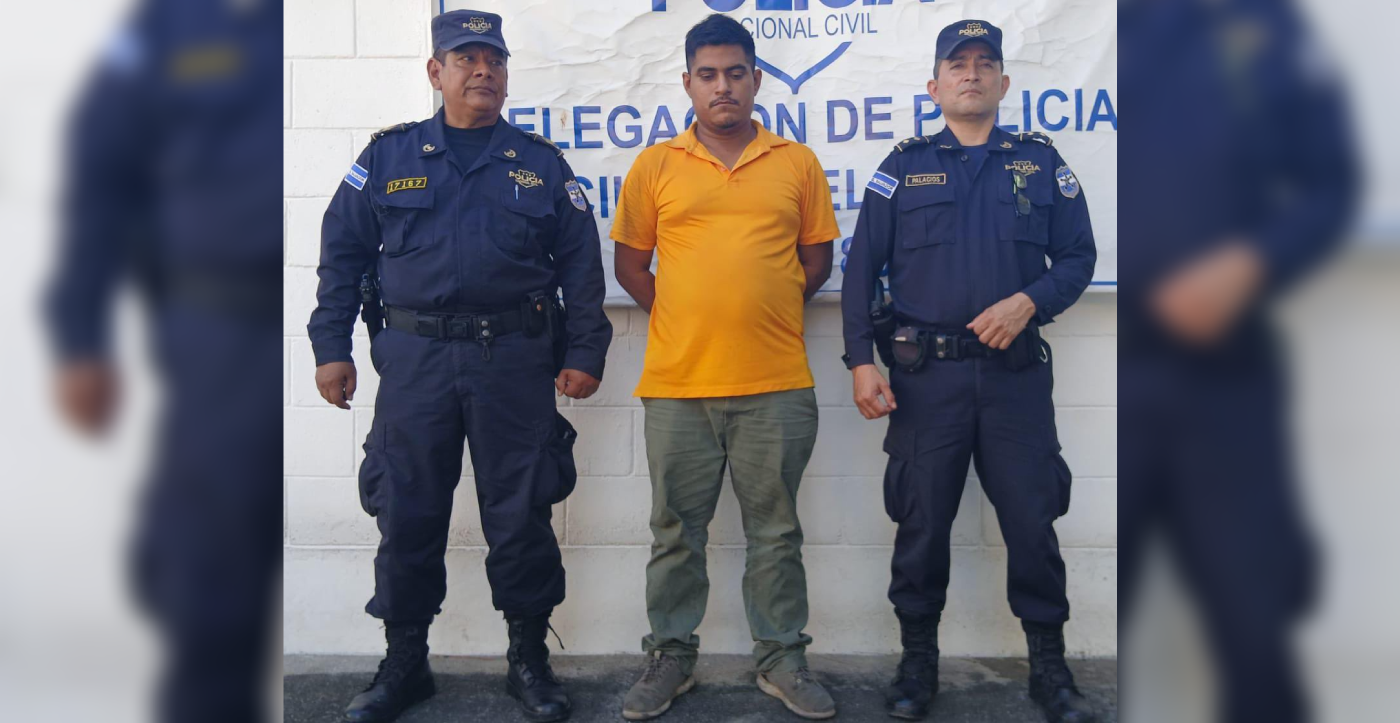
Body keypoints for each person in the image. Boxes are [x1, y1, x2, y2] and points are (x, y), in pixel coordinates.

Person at [306, 9, 612, 722]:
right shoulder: (388, 158)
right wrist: (331, 348)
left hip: (513, 360)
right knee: (407, 509)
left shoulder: (540, 164)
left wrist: (585, 352)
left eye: (494, 61)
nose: (484, 71)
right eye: (466, 58)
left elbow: (581, 266)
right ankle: (405, 660)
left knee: (521, 513)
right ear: (435, 72)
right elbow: (341, 258)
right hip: (414, 362)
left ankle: (528, 658)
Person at [840, 19, 1097, 723]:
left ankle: (1050, 670)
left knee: (1031, 522)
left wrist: (1029, 301)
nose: (972, 74)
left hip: (1015, 379)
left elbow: (1078, 258)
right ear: (935, 85)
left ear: (1004, 83)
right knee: (921, 526)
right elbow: (861, 271)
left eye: (986, 64)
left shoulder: (1039, 163)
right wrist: (862, 362)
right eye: (958, 64)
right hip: (928, 383)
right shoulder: (905, 167)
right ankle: (917, 663)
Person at [611, 13, 839, 722]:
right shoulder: (654, 166)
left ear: (755, 78)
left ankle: (781, 659)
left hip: (777, 384)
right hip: (678, 387)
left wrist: (759, 308)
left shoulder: (796, 162)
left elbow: (817, 258)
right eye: (707, 75)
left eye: (735, 72)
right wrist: (688, 313)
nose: (722, 87)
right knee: (675, 531)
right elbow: (630, 265)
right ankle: (670, 658)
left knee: (777, 531)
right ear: (687, 83)